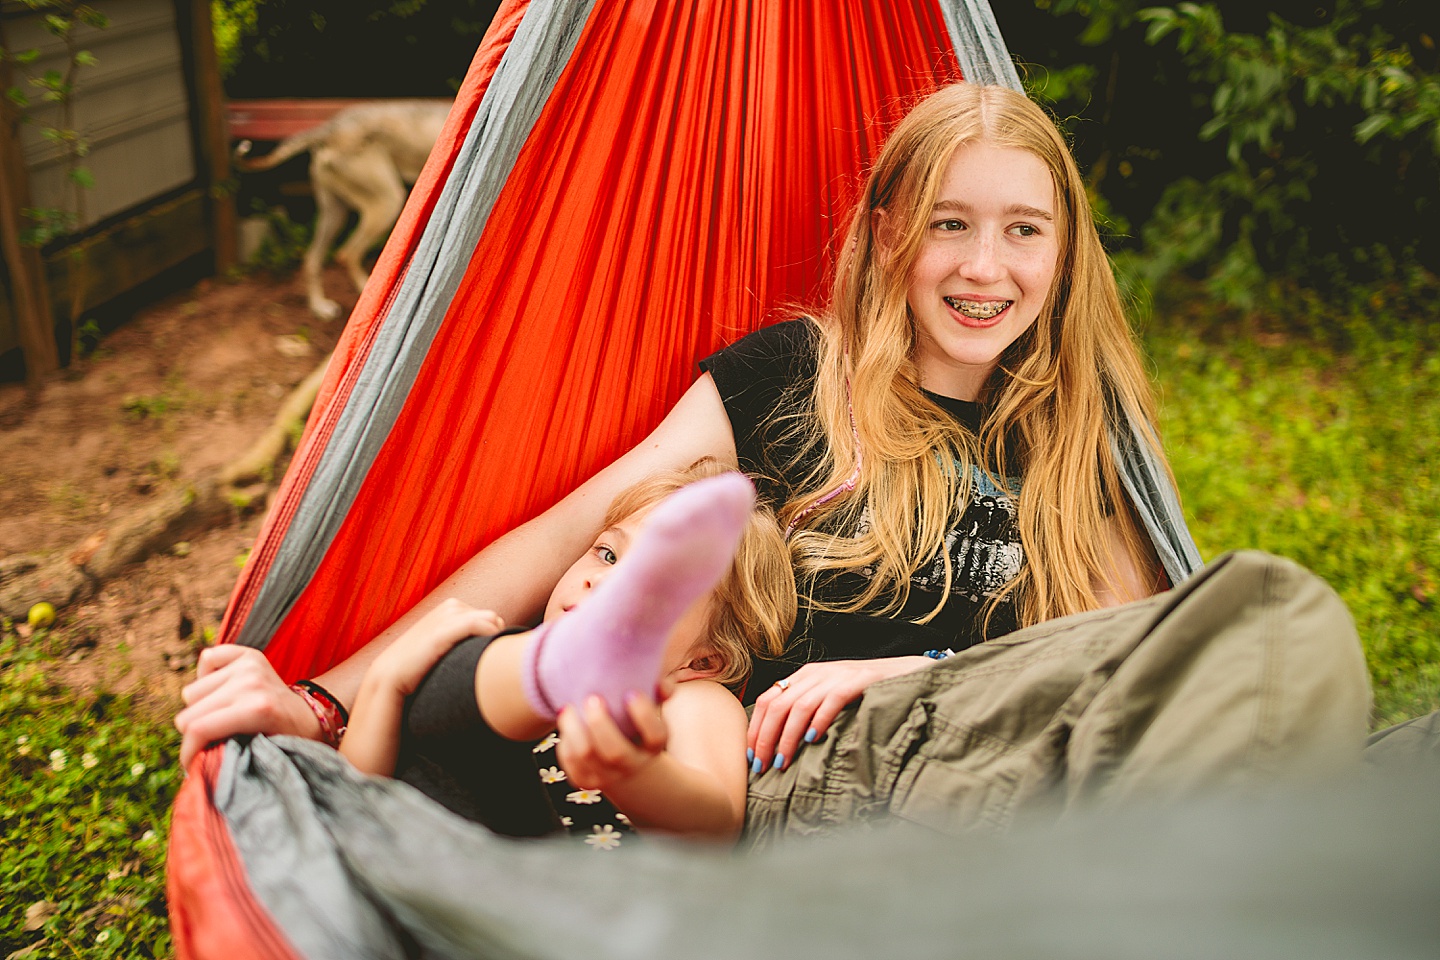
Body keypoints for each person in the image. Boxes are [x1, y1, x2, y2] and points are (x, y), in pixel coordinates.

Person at [176, 83, 1369, 839]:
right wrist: (325, 696)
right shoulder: (793, 379)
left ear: (1065, 255)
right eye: (951, 222)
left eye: (1024, 230)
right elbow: (564, 541)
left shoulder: (1068, 436)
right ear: (893, 234)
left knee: (1280, 624)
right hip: (812, 781)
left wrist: (902, 676)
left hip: (990, 748)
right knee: (1280, 639)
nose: (984, 267)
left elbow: (1137, 651)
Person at [335, 464, 795, 845]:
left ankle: (561, 667)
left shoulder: (687, 696)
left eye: (650, 588)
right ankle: (555, 667)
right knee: (447, 690)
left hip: (558, 895)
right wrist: (386, 681)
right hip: (413, 870)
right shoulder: (503, 651)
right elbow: (350, 805)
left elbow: (715, 829)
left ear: (703, 662)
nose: (601, 582)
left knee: (461, 679)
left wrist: (635, 772)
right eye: (608, 555)